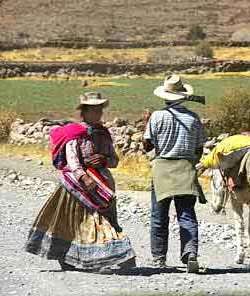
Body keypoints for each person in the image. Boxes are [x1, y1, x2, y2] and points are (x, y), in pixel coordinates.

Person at [25, 92, 136, 272]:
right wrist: (83, 177)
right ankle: (68, 256)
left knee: (104, 220)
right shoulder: (74, 134)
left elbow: (115, 160)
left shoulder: (103, 134)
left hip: (102, 184)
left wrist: (104, 160)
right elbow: (72, 159)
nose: (98, 113)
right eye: (93, 110)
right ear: (83, 112)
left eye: (99, 109)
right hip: (78, 185)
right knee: (75, 222)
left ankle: (105, 256)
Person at [142, 75, 206, 273]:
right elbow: (199, 149)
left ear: (165, 96)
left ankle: (159, 257)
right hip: (186, 168)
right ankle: (190, 254)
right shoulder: (193, 118)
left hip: (162, 169)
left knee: (159, 216)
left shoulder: (157, 116)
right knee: (186, 214)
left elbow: (147, 145)